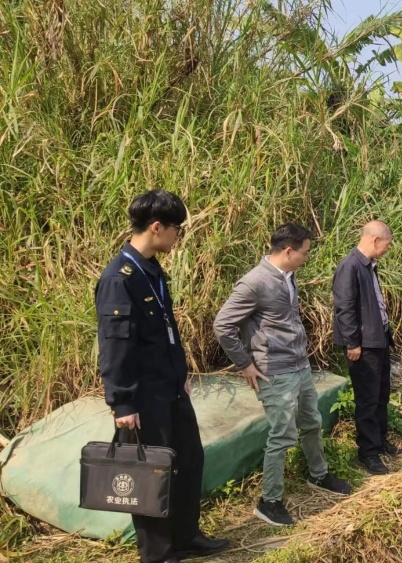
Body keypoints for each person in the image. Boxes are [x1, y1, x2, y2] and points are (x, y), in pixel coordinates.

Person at [95, 189, 229, 563]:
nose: (178, 237)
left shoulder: (152, 269)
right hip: (143, 396)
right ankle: (158, 553)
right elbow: (115, 345)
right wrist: (122, 401)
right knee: (152, 473)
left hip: (171, 386)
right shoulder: (119, 278)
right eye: (176, 229)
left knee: (188, 460)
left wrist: (180, 372)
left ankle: (186, 536)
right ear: (156, 227)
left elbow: (166, 330)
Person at [213, 223, 352, 527]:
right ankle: (269, 501)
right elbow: (223, 325)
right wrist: (245, 363)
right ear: (288, 251)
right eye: (304, 252)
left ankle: (319, 474)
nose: (306, 257)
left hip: (299, 366)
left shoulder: (288, 275)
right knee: (283, 434)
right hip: (274, 371)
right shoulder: (254, 282)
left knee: (312, 422)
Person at [332, 220, 401, 475]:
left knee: (382, 394)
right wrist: (353, 343)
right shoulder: (350, 266)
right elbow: (344, 307)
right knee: (367, 399)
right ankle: (368, 453)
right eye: (387, 244)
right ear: (375, 240)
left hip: (378, 339)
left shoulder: (369, 267)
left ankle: (380, 442)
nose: (387, 249)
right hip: (363, 345)